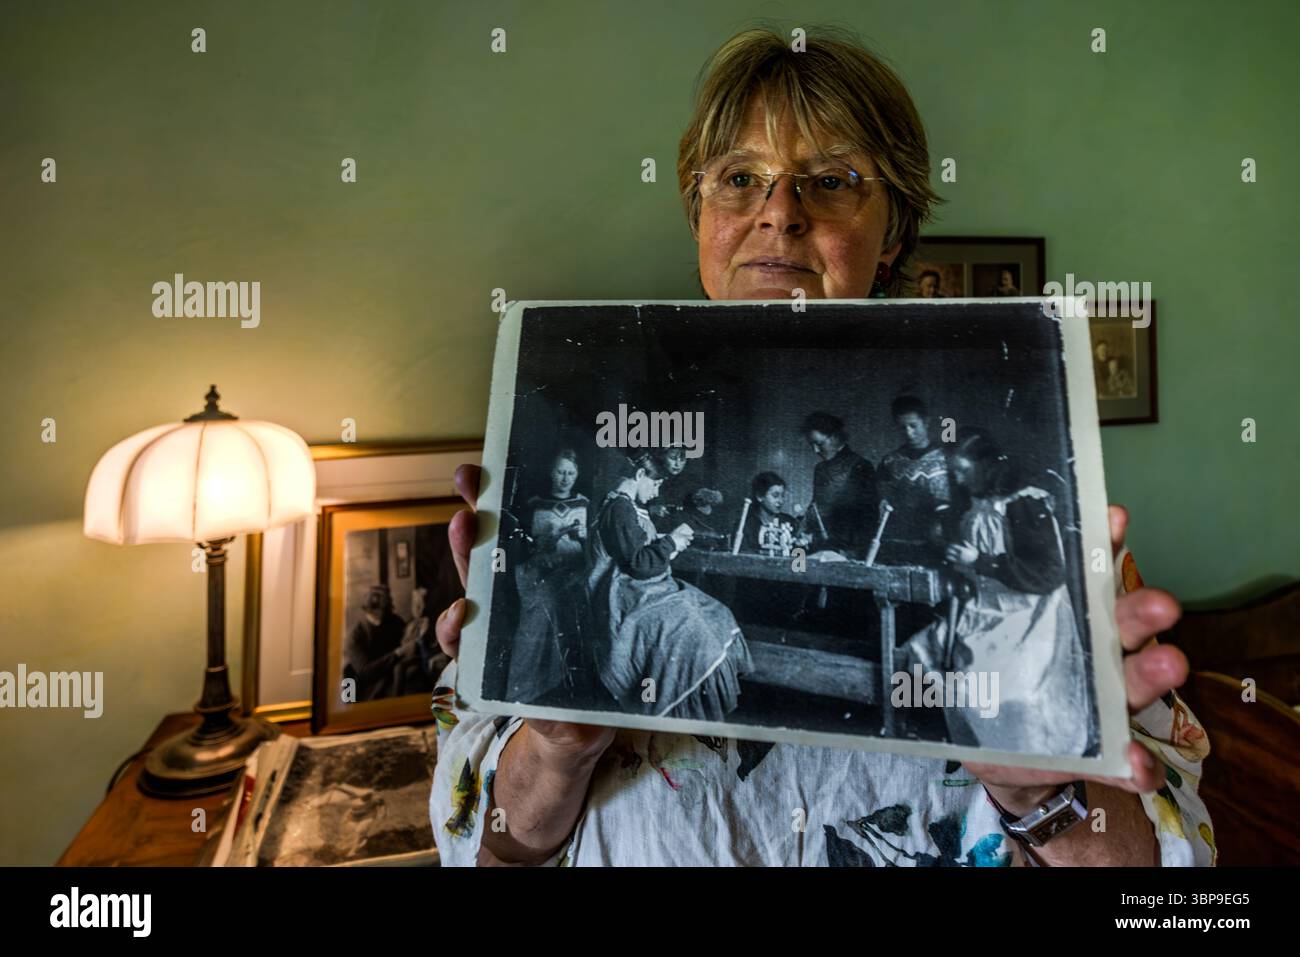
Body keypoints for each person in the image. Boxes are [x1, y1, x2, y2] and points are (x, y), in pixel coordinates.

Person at [431, 26, 1212, 867]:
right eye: (739, 179)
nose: (778, 211)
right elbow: (482, 847)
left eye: (832, 181)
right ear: (699, 215)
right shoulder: (555, 508)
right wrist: (554, 747)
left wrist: (1041, 796)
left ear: (896, 231)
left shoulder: (1060, 543)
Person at [900, 429, 1091, 753]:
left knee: (995, 689)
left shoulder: (1024, 503)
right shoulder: (975, 504)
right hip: (983, 607)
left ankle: (1018, 754)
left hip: (1027, 612)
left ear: (986, 466)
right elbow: (974, 560)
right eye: (954, 472)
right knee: (920, 654)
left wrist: (981, 562)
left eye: (963, 470)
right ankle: (978, 752)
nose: (957, 480)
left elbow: (1050, 574)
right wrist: (957, 559)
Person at [584, 450, 753, 720]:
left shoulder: (621, 505)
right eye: (655, 483)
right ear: (640, 475)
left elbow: (633, 549)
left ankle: (704, 695)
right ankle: (687, 705)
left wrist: (664, 541)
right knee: (694, 629)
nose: (657, 490)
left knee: (715, 611)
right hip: (622, 597)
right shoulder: (619, 508)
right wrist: (671, 542)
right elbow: (639, 564)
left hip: (638, 588)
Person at [506, 449, 590, 703]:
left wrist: (581, 537)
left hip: (574, 571)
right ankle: (532, 685)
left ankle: (566, 684)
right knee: (545, 608)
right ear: (551, 473)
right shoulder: (534, 505)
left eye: (570, 473)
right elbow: (525, 548)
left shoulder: (584, 503)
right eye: (560, 472)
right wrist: (551, 538)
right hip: (541, 572)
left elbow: (589, 547)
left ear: (576, 476)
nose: (565, 478)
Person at [876, 394, 950, 564]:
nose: (909, 433)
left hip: (938, 545)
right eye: (902, 427)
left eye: (913, 426)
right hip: (899, 544)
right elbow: (882, 498)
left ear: (927, 422)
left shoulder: (947, 458)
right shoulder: (890, 462)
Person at [798, 411, 877, 557]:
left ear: (834, 437)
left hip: (847, 551)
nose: (815, 450)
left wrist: (851, 551)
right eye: (812, 445)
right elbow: (816, 507)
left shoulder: (861, 466)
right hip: (818, 547)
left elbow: (867, 520)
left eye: (819, 443)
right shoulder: (820, 469)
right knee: (797, 567)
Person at [342, 583, 409, 701]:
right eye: (376, 609)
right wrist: (396, 654)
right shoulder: (355, 636)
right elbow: (365, 672)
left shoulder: (394, 621)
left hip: (393, 676)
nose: (381, 614)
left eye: (386, 609)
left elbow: (407, 640)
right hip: (365, 687)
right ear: (367, 609)